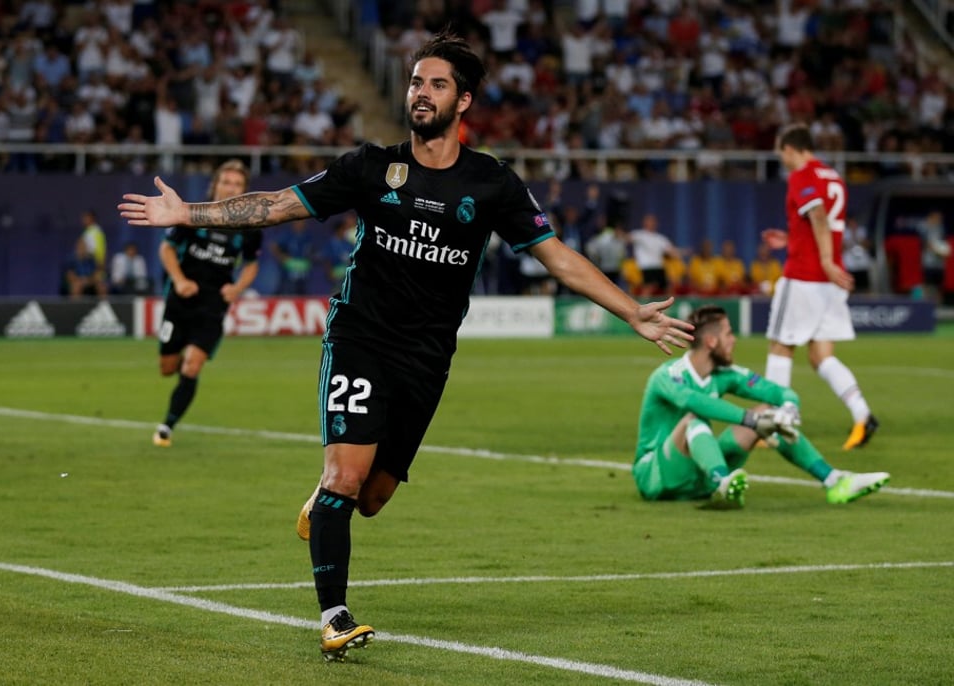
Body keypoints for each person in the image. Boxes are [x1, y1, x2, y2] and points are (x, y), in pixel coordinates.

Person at [119, 32, 694, 662]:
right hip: (360, 337)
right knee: (346, 476)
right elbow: (278, 205)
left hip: (426, 358)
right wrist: (189, 215)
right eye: (416, 82)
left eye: (437, 84)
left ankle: (327, 495)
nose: (421, 93)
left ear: (464, 101)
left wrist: (632, 311)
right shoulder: (370, 166)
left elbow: (558, 258)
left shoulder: (493, 182)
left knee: (372, 498)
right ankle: (335, 617)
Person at [633, 305, 890, 508]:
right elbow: (694, 402)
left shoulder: (725, 374)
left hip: (696, 478)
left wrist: (787, 409)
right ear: (711, 342)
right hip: (656, 476)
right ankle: (722, 482)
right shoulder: (669, 375)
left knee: (768, 413)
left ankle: (834, 481)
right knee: (693, 419)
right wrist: (750, 420)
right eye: (728, 334)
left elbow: (777, 391)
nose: (733, 340)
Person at [762, 123, 877, 451]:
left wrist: (825, 259)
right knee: (821, 356)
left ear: (791, 149)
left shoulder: (802, 175)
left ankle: (776, 423)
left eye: (780, 151)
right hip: (830, 281)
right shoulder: (833, 177)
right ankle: (862, 414)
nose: (780, 158)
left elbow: (818, 215)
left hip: (805, 277)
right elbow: (821, 223)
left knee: (780, 347)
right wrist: (791, 239)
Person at [150, 159, 263, 448]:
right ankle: (179, 367)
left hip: (213, 305)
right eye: (226, 182)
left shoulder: (249, 227)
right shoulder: (193, 214)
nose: (231, 188)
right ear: (215, 185)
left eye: (237, 184)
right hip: (181, 300)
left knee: (192, 366)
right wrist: (179, 280)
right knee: (167, 368)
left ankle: (166, 427)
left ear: (244, 190)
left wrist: (237, 288)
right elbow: (167, 249)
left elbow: (251, 265)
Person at [625, 213, 680, 296]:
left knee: (667, 287)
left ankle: (671, 306)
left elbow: (671, 251)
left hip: (658, 266)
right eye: (649, 221)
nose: (651, 223)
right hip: (646, 267)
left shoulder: (660, 238)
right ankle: (643, 306)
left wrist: (678, 253)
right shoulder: (639, 234)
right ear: (644, 222)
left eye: (653, 221)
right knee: (648, 288)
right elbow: (626, 238)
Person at [271, 219, 315, 294]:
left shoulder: (308, 236)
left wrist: (310, 258)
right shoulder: (287, 234)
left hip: (303, 275)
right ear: (294, 223)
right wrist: (281, 257)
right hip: (289, 275)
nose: (300, 224)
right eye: (298, 222)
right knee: (288, 295)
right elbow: (273, 246)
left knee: (303, 297)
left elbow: (312, 250)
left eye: (302, 222)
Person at [916, 210, 950, 304]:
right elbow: (926, 244)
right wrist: (936, 250)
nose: (939, 220)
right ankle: (926, 304)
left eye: (940, 218)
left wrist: (944, 252)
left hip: (939, 263)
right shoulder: (925, 228)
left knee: (939, 286)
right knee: (928, 284)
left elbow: (944, 245)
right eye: (937, 217)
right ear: (931, 218)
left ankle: (938, 305)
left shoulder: (941, 229)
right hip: (929, 262)